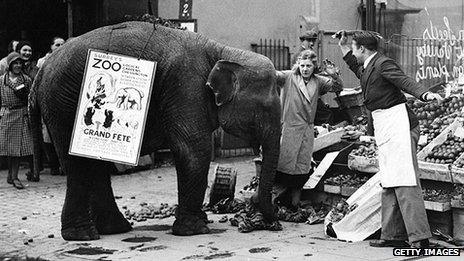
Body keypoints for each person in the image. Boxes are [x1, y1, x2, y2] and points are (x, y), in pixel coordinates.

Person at [337, 30, 442, 248]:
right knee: (389, 181)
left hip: (400, 126)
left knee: (405, 181)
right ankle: (392, 235)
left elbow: (404, 81)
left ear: (363, 49)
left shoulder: (384, 64)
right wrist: (344, 46)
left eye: (354, 49)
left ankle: (420, 238)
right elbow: (357, 69)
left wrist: (425, 94)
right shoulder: (369, 66)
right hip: (387, 128)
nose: (354, 53)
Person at [273, 49, 343, 209]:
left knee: (301, 169)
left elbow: (338, 86)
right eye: (302, 65)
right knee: (283, 167)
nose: (305, 69)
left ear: (314, 67)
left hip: (306, 131)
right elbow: (272, 75)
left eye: (309, 66)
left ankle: (294, 205)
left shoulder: (318, 81)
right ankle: (275, 203)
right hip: (289, 129)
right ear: (297, 65)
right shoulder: (288, 77)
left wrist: (333, 74)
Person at [0, 52, 34, 189]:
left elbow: (31, 99)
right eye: (15, 63)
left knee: (18, 148)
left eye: (20, 63)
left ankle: (14, 177)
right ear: (9, 65)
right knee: (9, 148)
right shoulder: (2, 80)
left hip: (21, 114)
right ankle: (10, 175)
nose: (18, 65)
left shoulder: (26, 80)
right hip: (7, 114)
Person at [37, 36, 65, 176]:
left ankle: (63, 165)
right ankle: (53, 165)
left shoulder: (67, 59)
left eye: (62, 44)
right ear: (51, 46)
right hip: (48, 100)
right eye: (57, 45)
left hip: (62, 101)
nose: (60, 47)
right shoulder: (42, 62)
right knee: (48, 135)